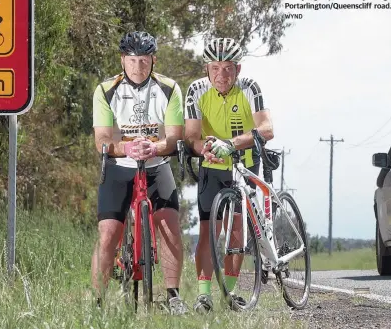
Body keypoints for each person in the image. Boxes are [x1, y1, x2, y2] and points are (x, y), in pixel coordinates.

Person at [91, 31, 188, 315]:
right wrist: (125, 148)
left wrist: (156, 147)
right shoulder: (106, 89)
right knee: (108, 233)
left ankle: (173, 296)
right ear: (123, 60)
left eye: (143, 61)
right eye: (132, 61)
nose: (137, 67)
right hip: (119, 167)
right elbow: (102, 141)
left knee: (170, 225)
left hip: (157, 165)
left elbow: (174, 137)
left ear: (153, 60)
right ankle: (97, 302)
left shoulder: (169, 88)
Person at [184, 37, 274, 313]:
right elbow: (191, 136)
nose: (221, 75)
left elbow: (267, 128)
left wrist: (232, 144)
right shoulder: (196, 90)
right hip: (212, 165)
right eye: (215, 68)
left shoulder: (249, 88)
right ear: (206, 69)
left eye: (228, 69)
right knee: (209, 231)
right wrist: (203, 150)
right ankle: (203, 295)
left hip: (243, 162)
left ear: (238, 69)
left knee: (237, 229)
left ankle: (231, 292)